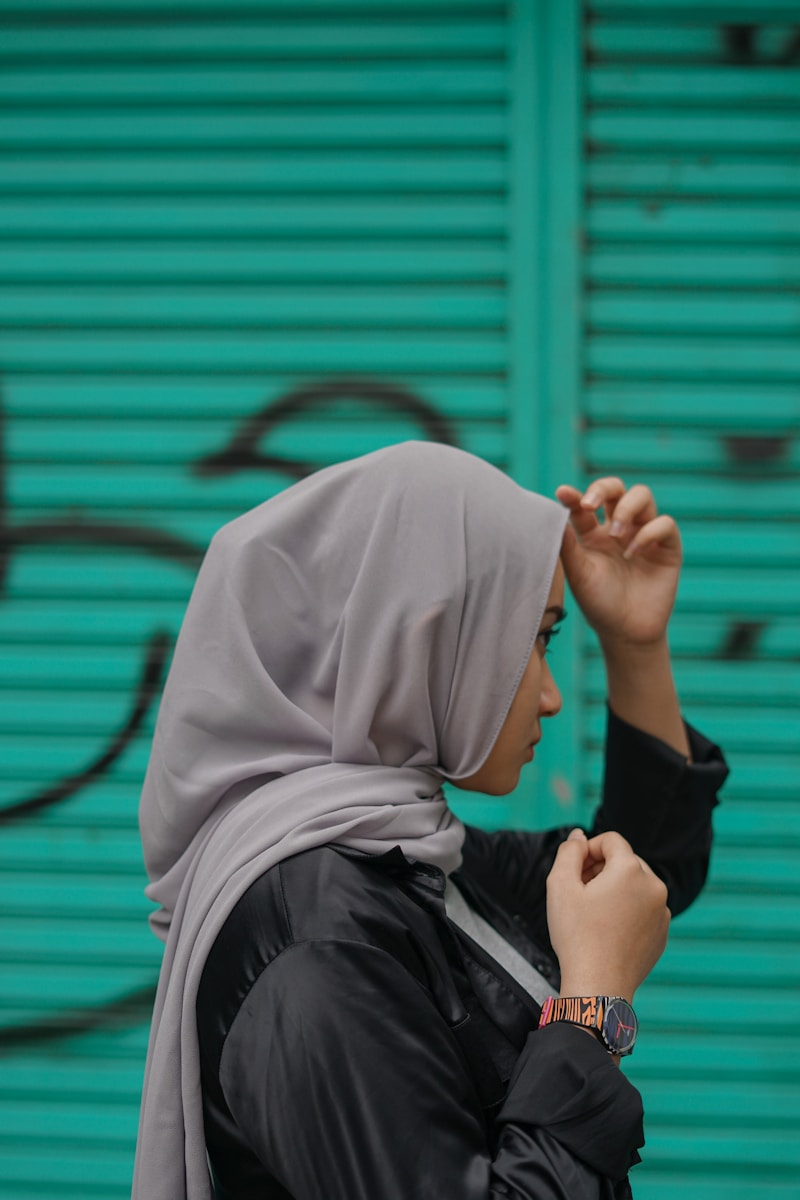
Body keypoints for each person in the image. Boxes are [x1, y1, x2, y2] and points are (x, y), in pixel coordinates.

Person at [132, 442, 728, 1200]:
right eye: (538, 640)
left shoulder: (399, 853)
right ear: (423, 637)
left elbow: (637, 882)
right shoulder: (315, 947)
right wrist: (593, 1011)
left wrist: (635, 646)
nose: (550, 696)